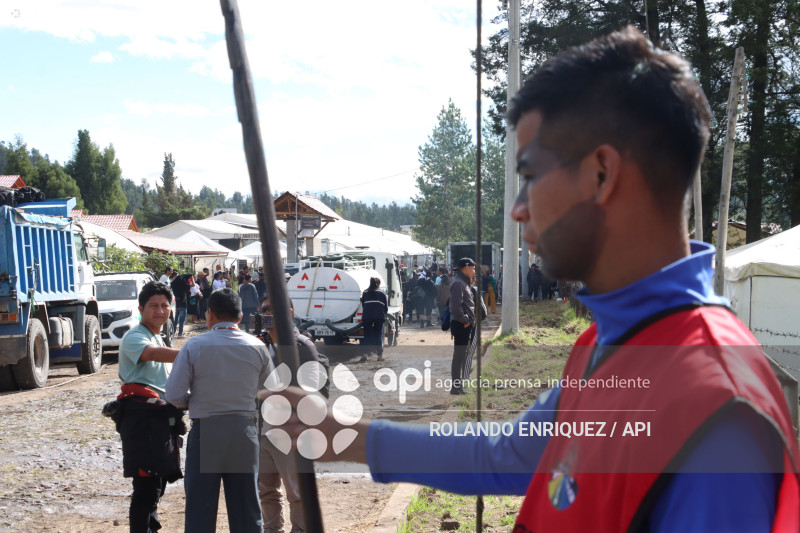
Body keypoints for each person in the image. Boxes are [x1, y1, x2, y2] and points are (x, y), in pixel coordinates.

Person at [262, 27, 800, 531]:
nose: (518, 210)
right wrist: (340, 436)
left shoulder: (719, 411)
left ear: (602, 173)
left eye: (528, 176)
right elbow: (508, 454)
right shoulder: (606, 345)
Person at [165, 289, 271, 533]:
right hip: (244, 432)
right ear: (240, 316)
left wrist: (195, 400)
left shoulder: (194, 345)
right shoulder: (257, 347)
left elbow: (173, 395)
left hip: (207, 432)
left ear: (209, 314)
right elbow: (270, 391)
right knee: (247, 508)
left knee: (200, 509)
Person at [117, 281, 182, 533]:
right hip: (142, 420)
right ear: (140, 308)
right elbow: (153, 354)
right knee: (145, 489)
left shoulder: (156, 334)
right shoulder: (136, 335)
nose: (160, 311)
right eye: (153, 306)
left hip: (158, 418)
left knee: (156, 483)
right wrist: (193, 352)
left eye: (165, 305)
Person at [258, 295, 326, 533]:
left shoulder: (302, 346)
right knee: (266, 490)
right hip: (262, 431)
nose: (269, 314)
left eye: (274, 309)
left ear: (290, 311)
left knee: (296, 491)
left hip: (291, 431)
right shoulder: (259, 344)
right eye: (265, 309)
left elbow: (313, 389)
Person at [448, 257, 476, 395]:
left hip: (463, 325)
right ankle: (455, 387)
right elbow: (455, 307)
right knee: (459, 356)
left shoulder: (463, 282)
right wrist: (466, 320)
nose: (474, 270)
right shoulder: (458, 284)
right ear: (466, 268)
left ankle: (458, 386)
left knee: (462, 355)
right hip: (461, 325)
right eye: (473, 268)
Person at [359, 277, 388, 362]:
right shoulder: (382, 293)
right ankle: (379, 356)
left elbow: (363, 304)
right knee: (378, 335)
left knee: (367, 335)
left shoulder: (365, 292)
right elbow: (385, 307)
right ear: (378, 284)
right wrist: (384, 313)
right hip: (379, 316)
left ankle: (364, 355)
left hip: (367, 316)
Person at [170, 272, 189, 338]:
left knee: (175, 321)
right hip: (183, 305)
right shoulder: (183, 287)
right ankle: (180, 333)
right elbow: (192, 285)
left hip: (175, 305)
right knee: (181, 321)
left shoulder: (174, 286)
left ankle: (173, 333)